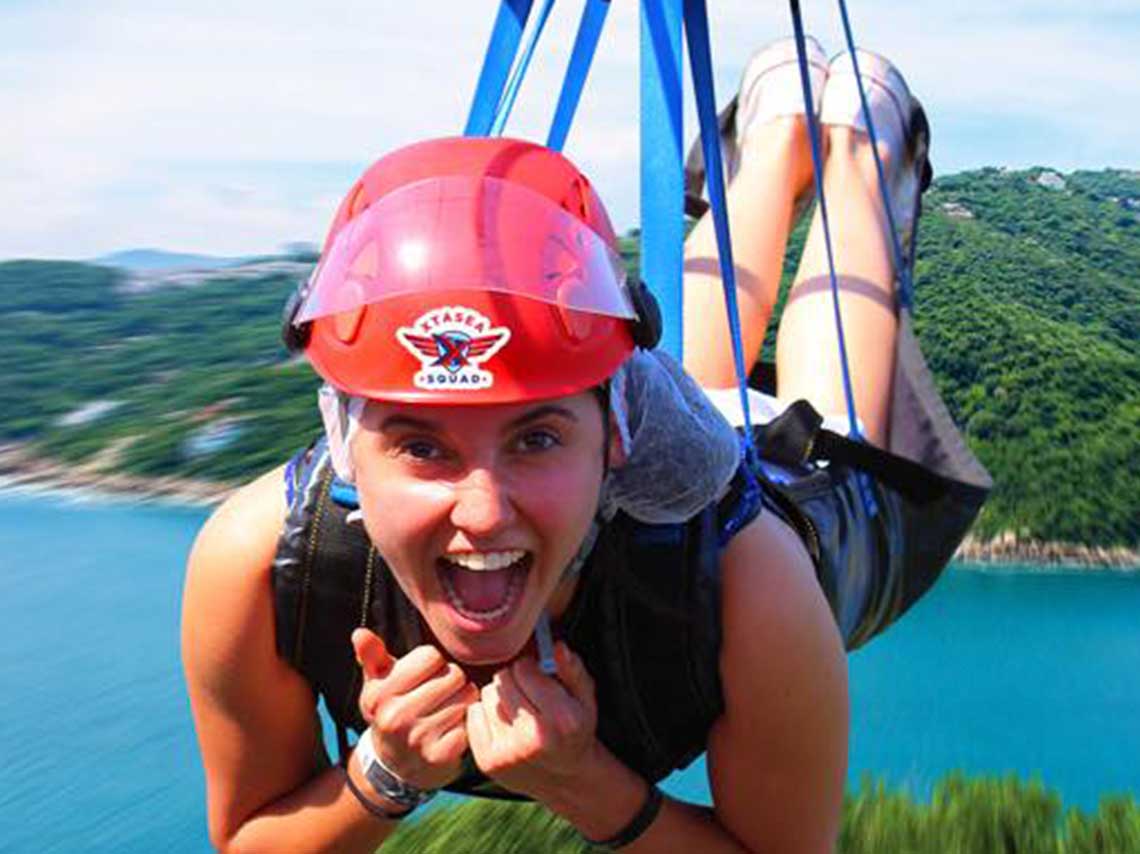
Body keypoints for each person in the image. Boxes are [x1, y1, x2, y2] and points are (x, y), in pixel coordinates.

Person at [182, 38, 988, 853]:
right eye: (423, 448)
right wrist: (380, 776)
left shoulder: (753, 575)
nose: (483, 512)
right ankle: (778, 130)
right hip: (630, 461)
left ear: (618, 436)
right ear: (348, 445)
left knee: (833, 416)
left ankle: (855, 141)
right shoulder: (264, 563)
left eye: (532, 437)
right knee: (664, 378)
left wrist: (585, 786)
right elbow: (246, 837)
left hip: (800, 502)